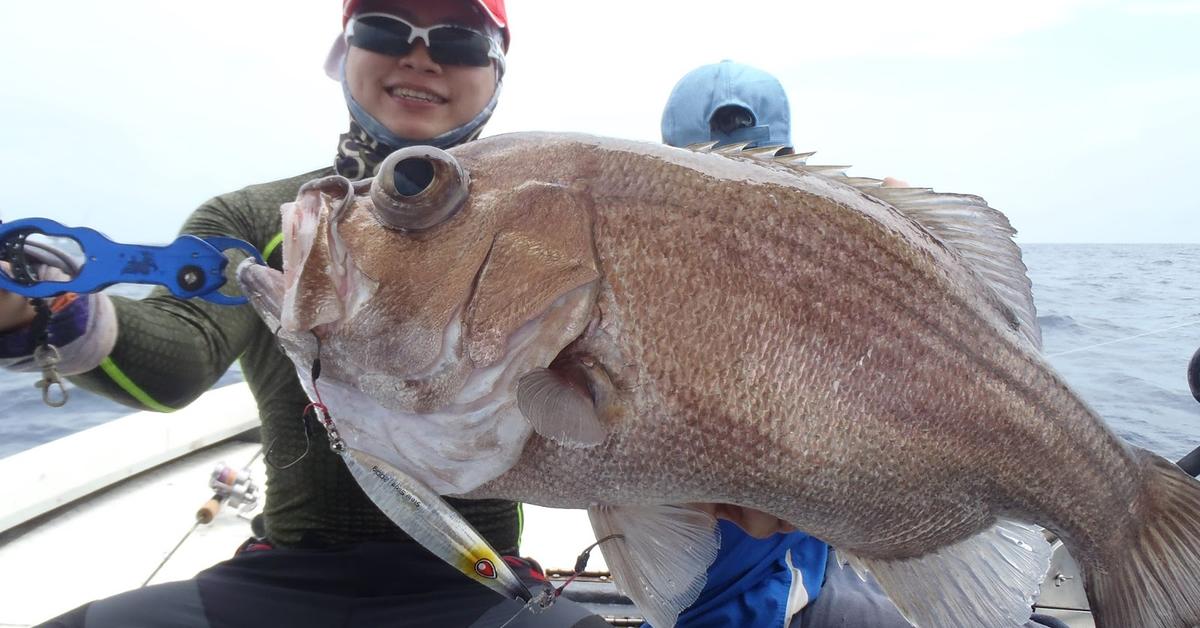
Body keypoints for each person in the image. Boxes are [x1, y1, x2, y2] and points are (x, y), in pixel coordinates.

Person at [0, 2, 609, 627]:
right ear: (344, 53)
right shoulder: (264, 221)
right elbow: (175, 361)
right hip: (278, 580)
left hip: (480, 581)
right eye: (384, 29)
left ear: (498, 72)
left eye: (459, 41)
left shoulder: (553, 234)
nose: (419, 56)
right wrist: (42, 308)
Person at [658, 60, 918, 628]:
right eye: (702, 178)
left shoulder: (832, 270)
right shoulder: (656, 295)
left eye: (761, 175)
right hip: (737, 606)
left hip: (807, 575)